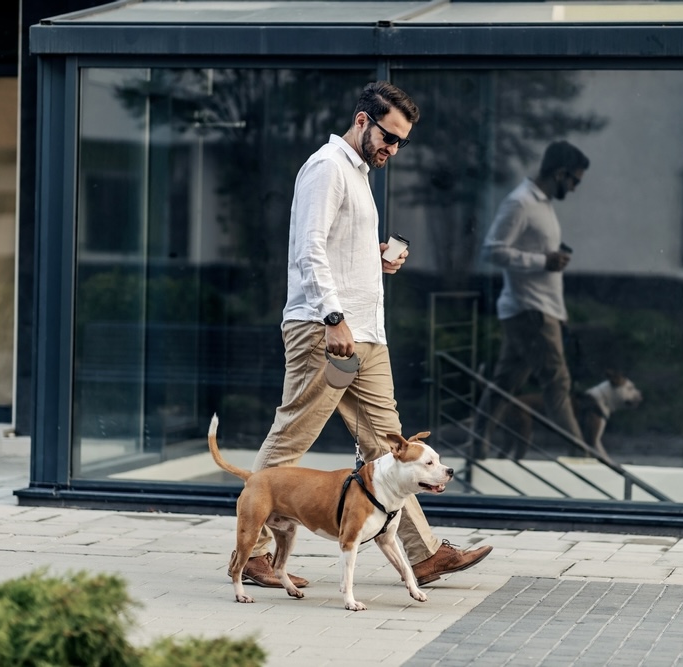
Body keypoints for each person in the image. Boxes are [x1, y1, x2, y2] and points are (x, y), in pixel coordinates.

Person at [230, 81, 492, 589]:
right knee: (290, 438)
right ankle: (256, 552)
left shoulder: (359, 174)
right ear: (361, 120)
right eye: (388, 136)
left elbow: (334, 247)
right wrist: (333, 318)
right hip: (324, 329)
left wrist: (372, 257)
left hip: (367, 332)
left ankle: (424, 554)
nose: (392, 148)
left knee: (389, 443)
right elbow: (308, 249)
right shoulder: (327, 168)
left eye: (401, 142)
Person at [472, 140, 590, 459]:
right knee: (558, 383)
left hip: (538, 308)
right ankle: (582, 456)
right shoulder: (520, 203)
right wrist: (542, 261)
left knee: (505, 382)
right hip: (530, 310)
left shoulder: (543, 204)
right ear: (561, 173)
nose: (576, 188)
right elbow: (491, 250)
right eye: (575, 180)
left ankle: (477, 446)